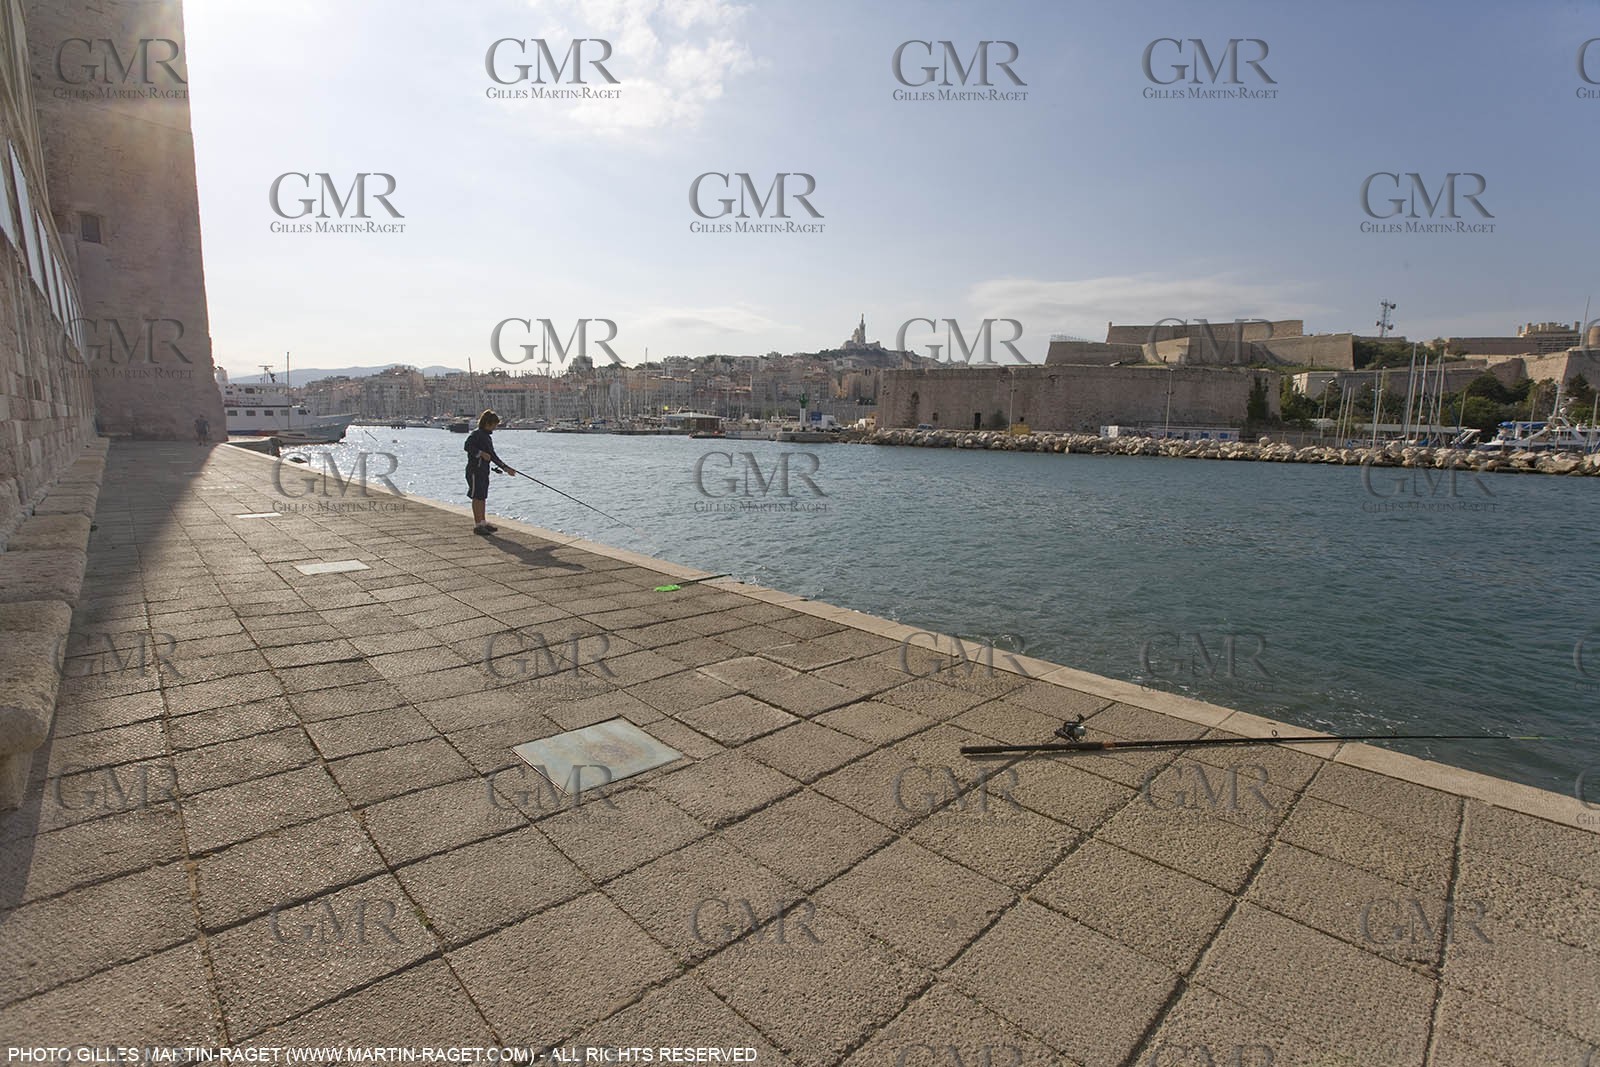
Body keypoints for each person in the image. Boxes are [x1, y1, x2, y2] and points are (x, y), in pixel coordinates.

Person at [464, 409, 516, 535]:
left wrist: (506, 468)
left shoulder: (486, 436)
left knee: (482, 496)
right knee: (477, 497)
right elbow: (467, 446)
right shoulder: (476, 434)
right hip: (474, 470)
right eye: (494, 425)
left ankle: (483, 522)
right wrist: (480, 453)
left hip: (483, 471)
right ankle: (477, 525)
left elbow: (492, 455)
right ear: (488, 423)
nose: (495, 428)